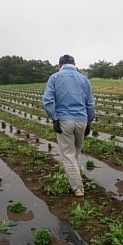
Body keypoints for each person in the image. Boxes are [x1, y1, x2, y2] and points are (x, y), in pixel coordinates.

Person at [42, 54, 95, 197]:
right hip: (82, 119)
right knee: (76, 152)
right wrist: (89, 123)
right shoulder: (84, 79)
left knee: (68, 155)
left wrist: (54, 119)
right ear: (74, 64)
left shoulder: (54, 77)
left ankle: (78, 187)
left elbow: (47, 101)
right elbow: (90, 104)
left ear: (59, 65)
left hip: (65, 120)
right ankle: (74, 176)